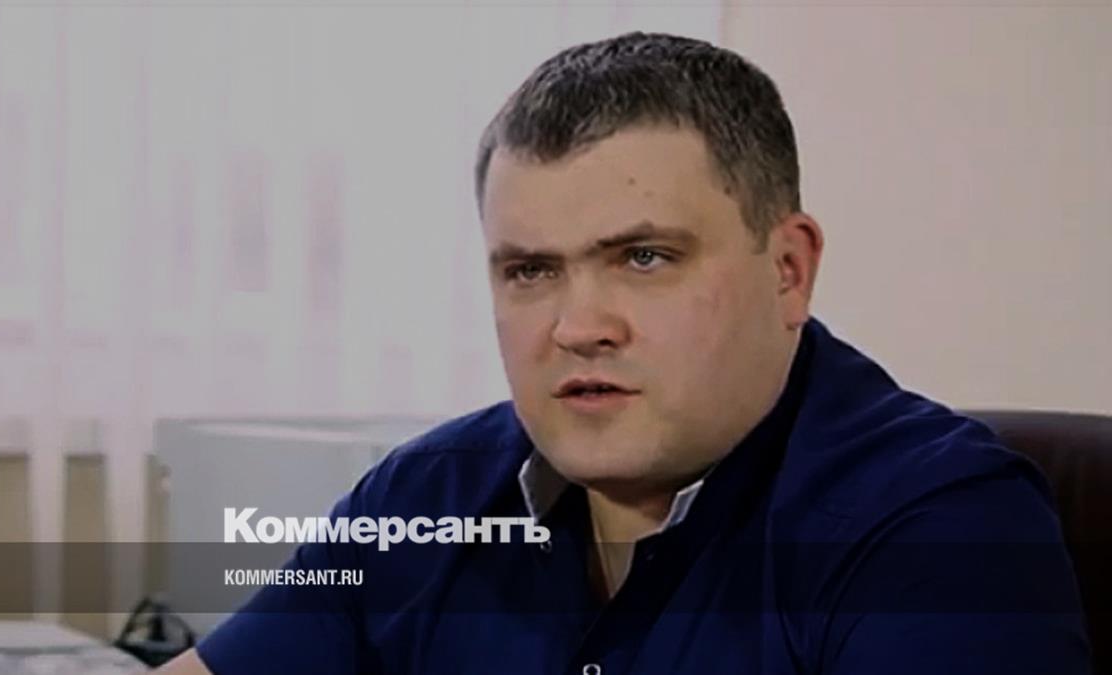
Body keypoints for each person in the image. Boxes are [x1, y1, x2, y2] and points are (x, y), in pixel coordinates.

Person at [160, 32, 1090, 674]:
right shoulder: (423, 497)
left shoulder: (941, 526)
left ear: (788, 270)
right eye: (530, 270)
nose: (578, 325)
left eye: (644, 258)